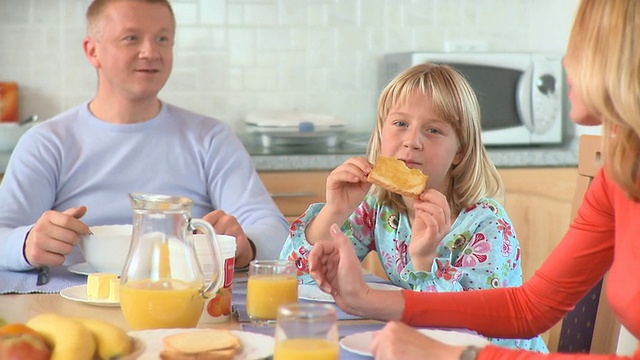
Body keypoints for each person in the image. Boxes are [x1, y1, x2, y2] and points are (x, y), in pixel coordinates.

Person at [307, 0, 640, 359]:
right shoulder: (620, 172)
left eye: (582, 48)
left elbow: (492, 331)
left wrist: (452, 354)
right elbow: (528, 308)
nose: (565, 63)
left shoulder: (485, 222)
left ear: (621, 57)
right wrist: (367, 297)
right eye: (400, 123)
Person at [0, 0, 289, 272]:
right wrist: (27, 243)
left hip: (187, 305)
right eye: (131, 38)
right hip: (69, 307)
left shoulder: (211, 138)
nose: (151, 52)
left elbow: (274, 230)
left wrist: (247, 245)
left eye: (162, 39)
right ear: (92, 51)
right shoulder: (47, 142)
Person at [280, 63, 547, 352]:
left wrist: (424, 260)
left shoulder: (487, 225)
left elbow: (469, 332)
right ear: (381, 133)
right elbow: (299, 279)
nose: (412, 141)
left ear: (460, 152)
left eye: (433, 130)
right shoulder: (379, 208)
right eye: (400, 124)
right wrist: (336, 210)